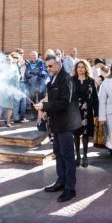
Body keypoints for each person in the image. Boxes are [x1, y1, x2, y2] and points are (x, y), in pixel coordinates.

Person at [34, 55, 81, 203]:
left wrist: (45, 106)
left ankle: (70, 188)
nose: (48, 69)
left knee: (67, 156)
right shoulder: (53, 79)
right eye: (46, 66)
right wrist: (44, 107)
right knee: (58, 154)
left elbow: (64, 102)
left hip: (66, 124)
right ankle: (61, 182)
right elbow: (52, 99)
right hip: (56, 124)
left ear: (59, 64)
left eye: (50, 66)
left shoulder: (65, 79)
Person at [72, 60, 98, 168]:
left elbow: (95, 97)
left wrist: (96, 112)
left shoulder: (91, 81)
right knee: (76, 134)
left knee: (86, 134)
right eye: (79, 67)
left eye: (83, 67)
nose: (81, 69)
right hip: (75, 111)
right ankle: (77, 155)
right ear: (76, 69)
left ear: (86, 68)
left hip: (87, 110)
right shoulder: (72, 80)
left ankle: (85, 156)